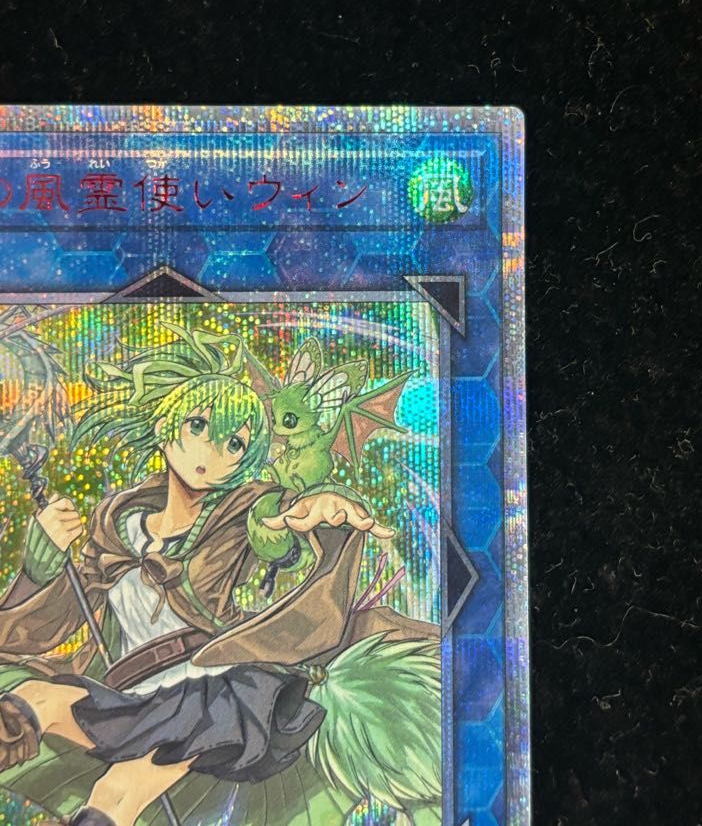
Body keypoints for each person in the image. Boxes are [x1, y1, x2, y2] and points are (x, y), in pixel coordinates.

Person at [0, 323, 440, 826]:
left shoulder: (241, 512)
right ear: (165, 426)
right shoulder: (116, 525)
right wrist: (39, 568)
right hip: (130, 695)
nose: (213, 452)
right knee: (35, 701)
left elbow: (274, 525)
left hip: (212, 695)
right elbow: (35, 633)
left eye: (234, 444)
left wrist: (317, 506)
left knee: (117, 789)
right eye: (198, 426)